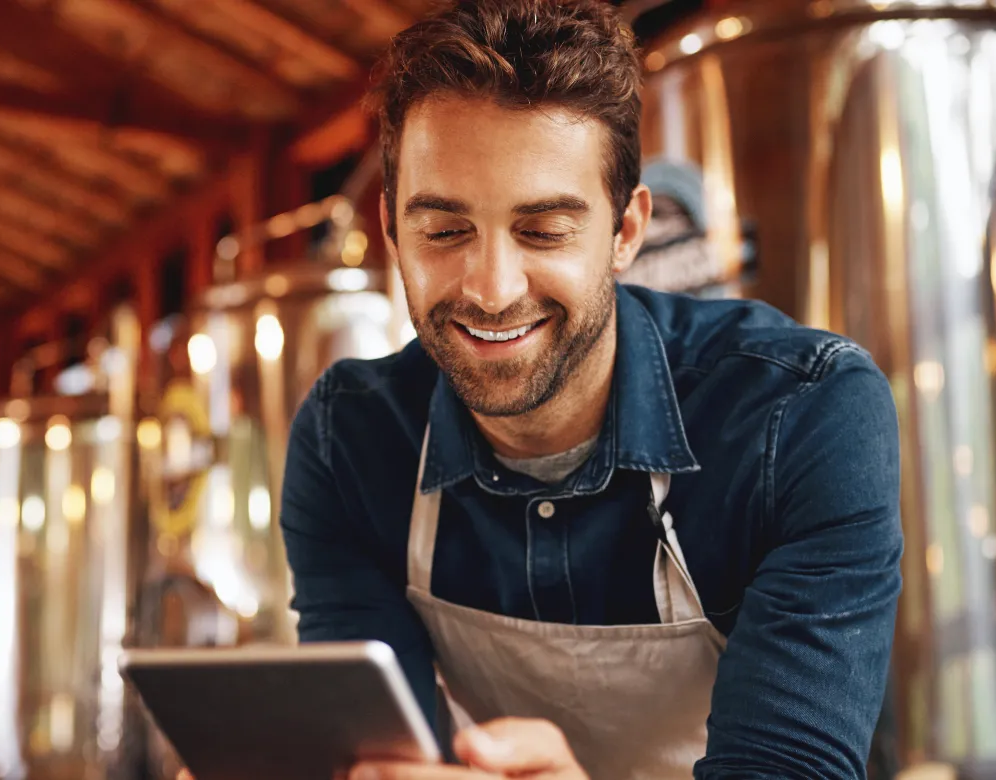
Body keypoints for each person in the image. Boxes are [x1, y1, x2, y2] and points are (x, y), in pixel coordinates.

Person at [280, 1, 903, 778]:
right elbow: (380, 757)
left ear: (625, 232)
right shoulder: (351, 442)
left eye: (544, 231)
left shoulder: (801, 416)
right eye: (444, 231)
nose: (492, 288)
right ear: (391, 228)